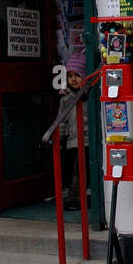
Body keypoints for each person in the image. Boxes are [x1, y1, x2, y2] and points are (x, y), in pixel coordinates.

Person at [55, 51, 87, 210]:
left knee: (83, 170)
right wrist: (60, 138)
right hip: (73, 141)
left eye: (77, 75)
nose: (73, 79)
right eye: (70, 76)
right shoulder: (66, 99)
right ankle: (75, 198)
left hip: (87, 139)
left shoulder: (88, 97)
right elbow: (61, 120)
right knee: (75, 170)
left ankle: (79, 197)